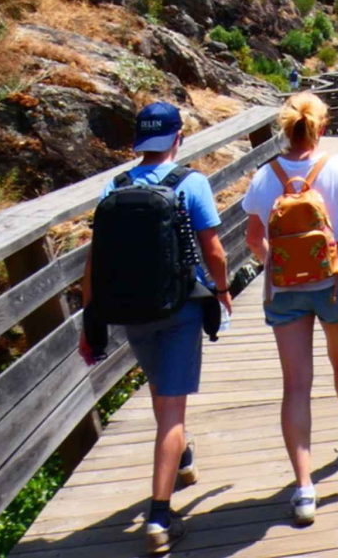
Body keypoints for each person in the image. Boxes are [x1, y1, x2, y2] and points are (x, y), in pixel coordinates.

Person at [79, 101, 232, 555]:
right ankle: (160, 516)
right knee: (172, 413)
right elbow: (215, 251)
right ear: (177, 138)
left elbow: (95, 261)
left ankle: (182, 458)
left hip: (131, 310)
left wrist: (91, 320)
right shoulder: (191, 183)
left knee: (161, 392)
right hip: (179, 309)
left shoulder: (114, 186)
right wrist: (222, 292)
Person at [242, 92, 338, 526]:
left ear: (285, 129)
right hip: (336, 283)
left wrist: (278, 265)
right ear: (321, 127)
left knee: (296, 385)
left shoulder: (264, 177)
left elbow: (255, 240)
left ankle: (304, 489)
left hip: (285, 290)